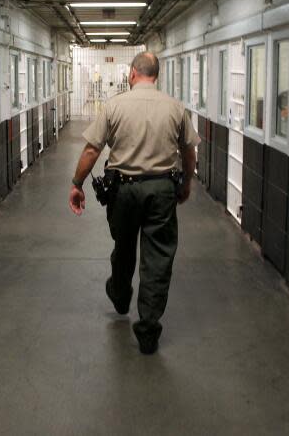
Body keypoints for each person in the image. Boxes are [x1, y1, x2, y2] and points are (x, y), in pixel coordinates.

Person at [68, 51, 200, 354]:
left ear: (131, 74)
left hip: (124, 191)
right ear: (157, 75)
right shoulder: (176, 107)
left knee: (124, 247)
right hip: (162, 189)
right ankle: (148, 332)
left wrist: (77, 184)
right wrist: (187, 181)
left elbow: (92, 150)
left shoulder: (114, 105)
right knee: (158, 259)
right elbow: (189, 151)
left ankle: (119, 293)